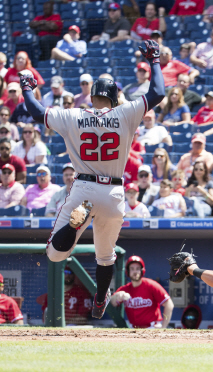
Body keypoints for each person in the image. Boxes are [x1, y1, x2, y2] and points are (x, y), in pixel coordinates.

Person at [19, 39, 166, 319]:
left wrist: (28, 88)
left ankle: (76, 223)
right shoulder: (125, 112)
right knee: (105, 256)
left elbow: (37, 112)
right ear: (113, 97)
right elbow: (158, 91)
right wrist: (154, 60)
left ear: (92, 97)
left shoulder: (73, 115)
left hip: (84, 189)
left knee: (54, 254)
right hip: (113, 194)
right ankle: (101, 297)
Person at [111, 256, 174, 328]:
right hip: (133, 328)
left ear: (142, 270)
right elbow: (112, 303)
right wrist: (117, 297)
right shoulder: (125, 289)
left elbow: (169, 304)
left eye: (137, 269)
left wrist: (163, 327)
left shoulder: (151, 285)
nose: (135, 272)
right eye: (132, 269)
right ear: (127, 271)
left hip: (152, 327)